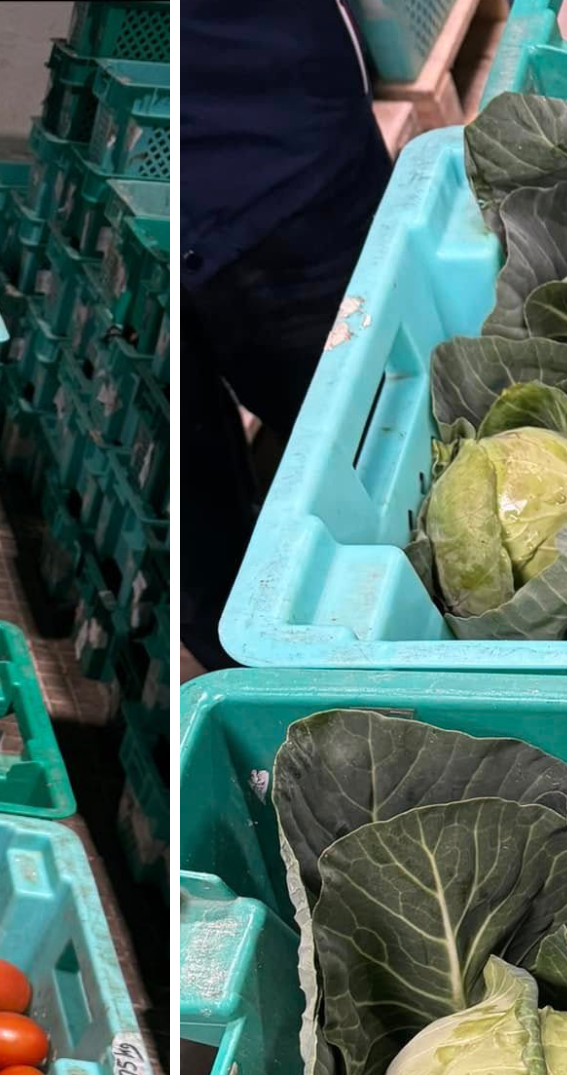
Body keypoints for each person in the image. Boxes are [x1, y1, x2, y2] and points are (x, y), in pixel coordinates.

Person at [179, 0, 395, 668]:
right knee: (196, 513)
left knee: (390, 455)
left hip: (286, 156)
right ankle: (262, 686)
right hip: (243, 162)